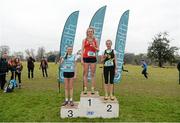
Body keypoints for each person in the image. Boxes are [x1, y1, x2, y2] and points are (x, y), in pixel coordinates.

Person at [81, 27, 99, 94]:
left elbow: (98, 50)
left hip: (93, 58)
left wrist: (94, 46)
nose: (90, 32)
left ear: (93, 32)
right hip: (86, 58)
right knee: (85, 74)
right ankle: (85, 88)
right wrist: (81, 59)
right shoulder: (84, 40)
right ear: (87, 32)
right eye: (89, 31)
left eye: (91, 31)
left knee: (92, 74)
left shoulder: (95, 40)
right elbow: (82, 50)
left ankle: (92, 88)